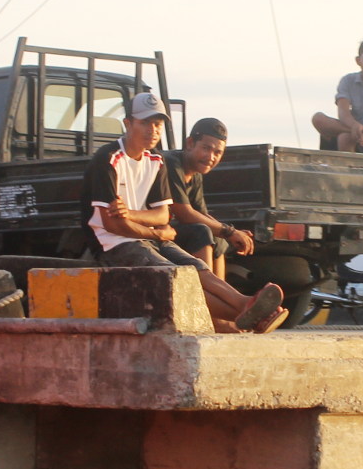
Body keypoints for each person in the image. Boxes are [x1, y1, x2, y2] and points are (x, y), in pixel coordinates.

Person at [82, 93, 286, 333]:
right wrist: (157, 234)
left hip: (147, 236)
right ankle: (246, 316)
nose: (153, 130)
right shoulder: (107, 159)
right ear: (128, 124)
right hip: (113, 243)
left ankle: (243, 302)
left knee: (195, 267)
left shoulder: (155, 161)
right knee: (177, 278)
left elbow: (162, 216)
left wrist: (133, 216)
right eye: (145, 123)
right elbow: (113, 225)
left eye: (157, 124)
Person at [167, 117, 256, 278]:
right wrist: (229, 232)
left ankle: (220, 292)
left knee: (216, 236)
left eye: (217, 152)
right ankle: (207, 294)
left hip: (173, 233)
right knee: (201, 231)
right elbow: (184, 214)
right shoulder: (172, 164)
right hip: (153, 233)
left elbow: (201, 214)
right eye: (206, 148)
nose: (211, 157)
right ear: (190, 143)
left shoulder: (196, 174)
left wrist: (229, 233)